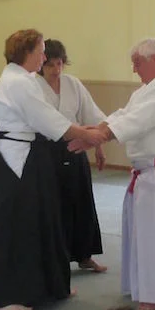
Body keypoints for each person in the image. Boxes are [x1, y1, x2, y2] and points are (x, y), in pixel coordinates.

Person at [0, 30, 105, 310]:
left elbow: (52, 121)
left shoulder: (23, 79)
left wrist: (97, 131)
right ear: (27, 52)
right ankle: (6, 298)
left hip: (32, 155)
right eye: (41, 52)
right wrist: (91, 135)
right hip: (15, 159)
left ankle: (52, 286)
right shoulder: (17, 81)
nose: (44, 57)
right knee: (17, 225)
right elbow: (50, 120)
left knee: (44, 220)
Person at [78, 39, 155, 310]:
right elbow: (125, 114)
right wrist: (98, 128)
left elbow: (137, 121)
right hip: (147, 172)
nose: (134, 69)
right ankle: (146, 286)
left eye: (137, 63)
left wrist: (100, 136)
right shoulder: (148, 90)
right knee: (145, 235)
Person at [37, 39, 107, 273]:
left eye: (59, 64)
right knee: (55, 207)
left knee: (81, 202)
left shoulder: (73, 84)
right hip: (47, 151)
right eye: (50, 65)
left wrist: (98, 146)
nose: (56, 70)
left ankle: (85, 255)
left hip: (77, 147)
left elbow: (92, 115)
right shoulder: (33, 86)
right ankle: (56, 261)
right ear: (41, 65)